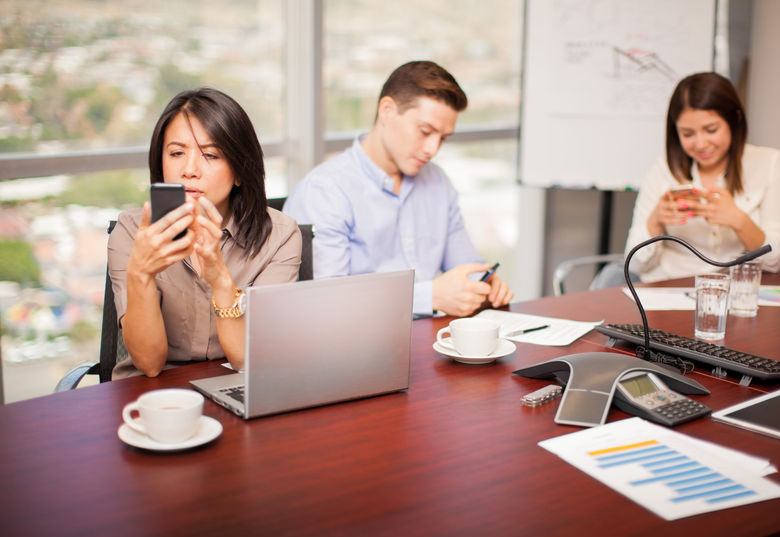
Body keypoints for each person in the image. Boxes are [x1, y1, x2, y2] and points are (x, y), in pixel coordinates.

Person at [284, 60, 514, 317]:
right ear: (387, 111)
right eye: (425, 131)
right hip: (357, 346)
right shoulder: (325, 191)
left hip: (430, 340)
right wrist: (430, 296)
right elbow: (327, 301)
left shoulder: (438, 182)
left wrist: (485, 284)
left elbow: (468, 268)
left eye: (443, 138)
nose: (432, 150)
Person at [108, 87, 302, 379]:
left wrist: (221, 279)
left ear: (239, 170)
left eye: (210, 155)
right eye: (176, 153)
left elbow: (247, 359)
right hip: (154, 394)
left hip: (237, 383)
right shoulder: (131, 232)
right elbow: (148, 364)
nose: (189, 170)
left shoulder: (281, 237)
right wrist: (141, 273)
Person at [621, 71, 780, 283]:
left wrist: (738, 221)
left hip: (739, 293)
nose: (701, 144)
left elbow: (775, 261)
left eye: (711, 130)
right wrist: (655, 221)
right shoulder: (663, 170)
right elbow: (635, 265)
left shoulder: (770, 163)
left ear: (735, 119)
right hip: (670, 289)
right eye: (687, 134)